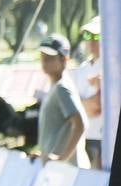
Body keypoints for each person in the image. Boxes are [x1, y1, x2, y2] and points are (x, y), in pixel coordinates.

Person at [37, 33, 87, 166]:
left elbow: (80, 124)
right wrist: (44, 153)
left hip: (66, 170)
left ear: (64, 59)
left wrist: (61, 159)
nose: (44, 60)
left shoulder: (62, 88)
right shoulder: (56, 86)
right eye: (43, 55)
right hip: (60, 169)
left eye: (50, 57)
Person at [74, 17, 103, 168]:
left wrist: (77, 106)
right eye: (87, 36)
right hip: (81, 138)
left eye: (96, 36)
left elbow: (95, 107)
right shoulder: (80, 70)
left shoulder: (111, 67)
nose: (91, 41)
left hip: (102, 140)